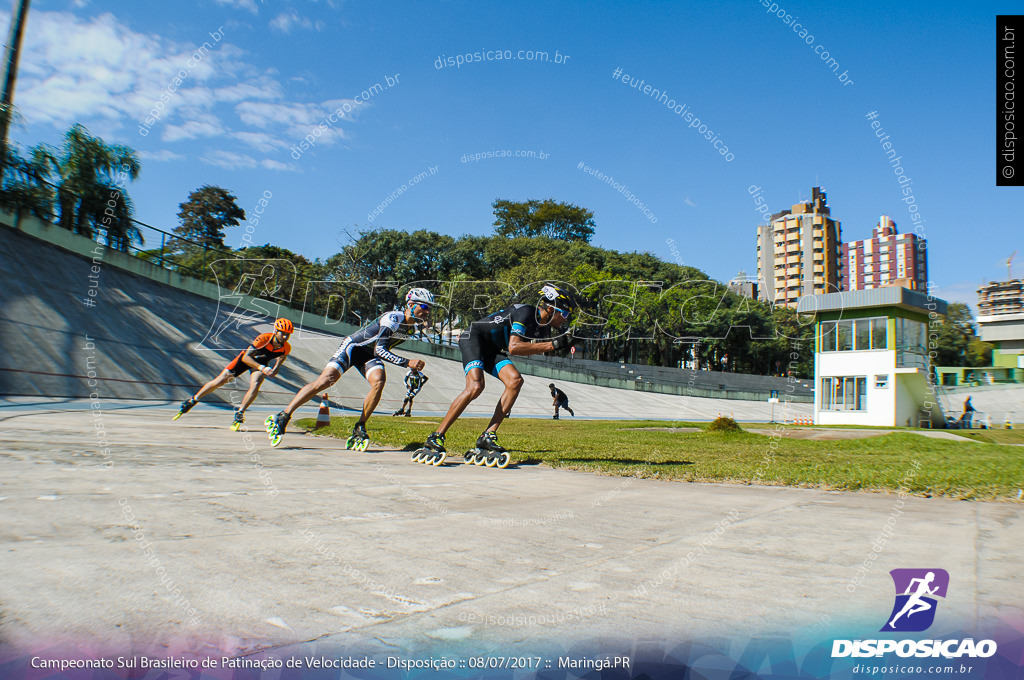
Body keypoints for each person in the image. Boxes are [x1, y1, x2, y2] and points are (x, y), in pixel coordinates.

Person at [419, 284, 576, 459]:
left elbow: (529, 348)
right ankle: (436, 436)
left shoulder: (544, 328)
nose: (565, 319)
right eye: (564, 314)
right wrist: (552, 345)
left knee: (515, 381)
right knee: (475, 386)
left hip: (492, 349)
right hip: (473, 338)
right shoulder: (527, 313)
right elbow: (514, 347)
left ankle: (487, 435)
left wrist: (560, 345)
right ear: (550, 307)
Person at [264, 289, 433, 448]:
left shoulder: (411, 330)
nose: (427, 311)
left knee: (379, 382)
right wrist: (407, 362)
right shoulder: (393, 319)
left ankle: (360, 427)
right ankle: (284, 415)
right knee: (325, 381)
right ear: (410, 304)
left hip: (369, 355)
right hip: (353, 348)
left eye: (429, 308)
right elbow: (380, 349)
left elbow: (381, 349)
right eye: (424, 306)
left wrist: (412, 365)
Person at [173, 318, 293, 429]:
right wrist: (262, 368)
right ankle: (194, 399)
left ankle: (240, 412)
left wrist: (276, 369)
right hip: (245, 361)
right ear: (276, 331)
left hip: (260, 366)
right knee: (220, 381)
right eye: (283, 333)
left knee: (255, 385)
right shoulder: (264, 339)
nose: (285, 336)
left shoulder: (286, 347)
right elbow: (246, 357)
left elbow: (281, 357)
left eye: (288, 334)